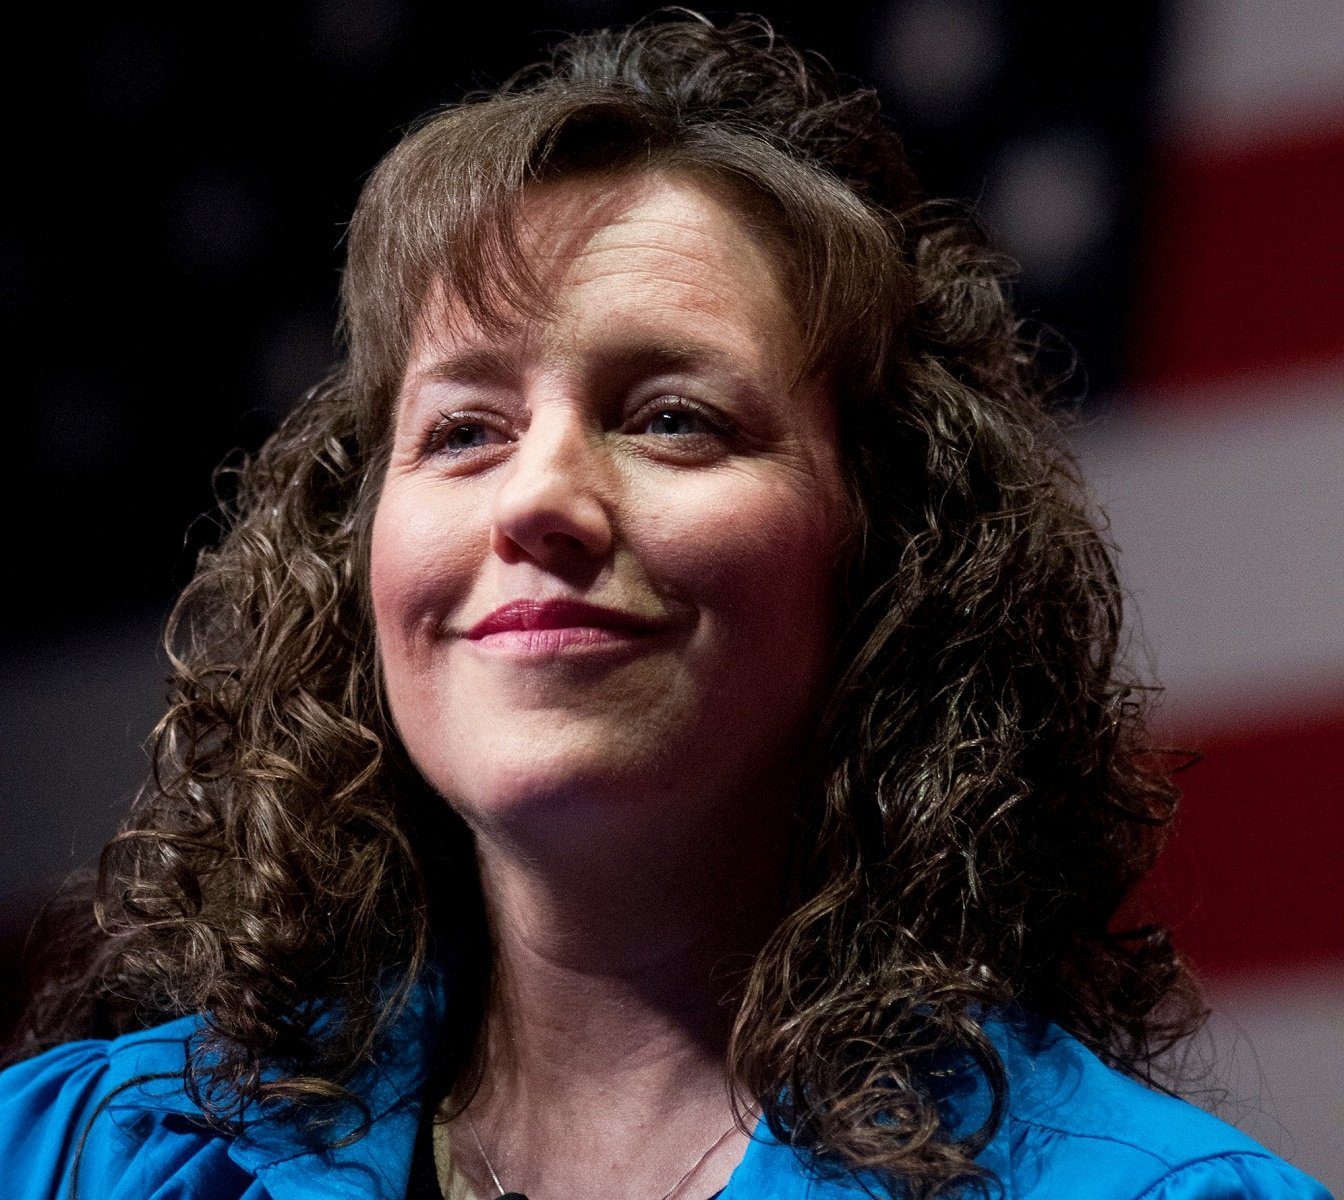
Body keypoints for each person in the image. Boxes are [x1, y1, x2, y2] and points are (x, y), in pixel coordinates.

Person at [0, 11, 1331, 1200]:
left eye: (673, 419)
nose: (540, 501)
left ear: (890, 554)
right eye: (465, 429)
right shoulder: (66, 1157)